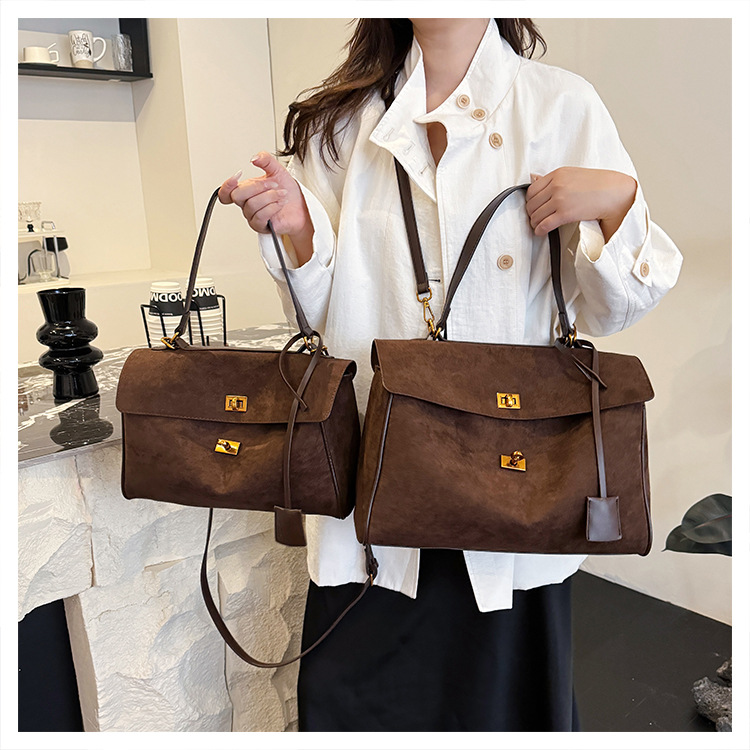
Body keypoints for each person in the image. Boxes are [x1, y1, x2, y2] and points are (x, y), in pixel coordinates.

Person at [219, 18, 683, 732]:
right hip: (376, 485)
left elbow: (612, 309)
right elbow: (322, 314)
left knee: (502, 709)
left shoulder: (561, 106)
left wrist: (618, 204)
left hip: (516, 488)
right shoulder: (337, 126)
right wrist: (298, 228)